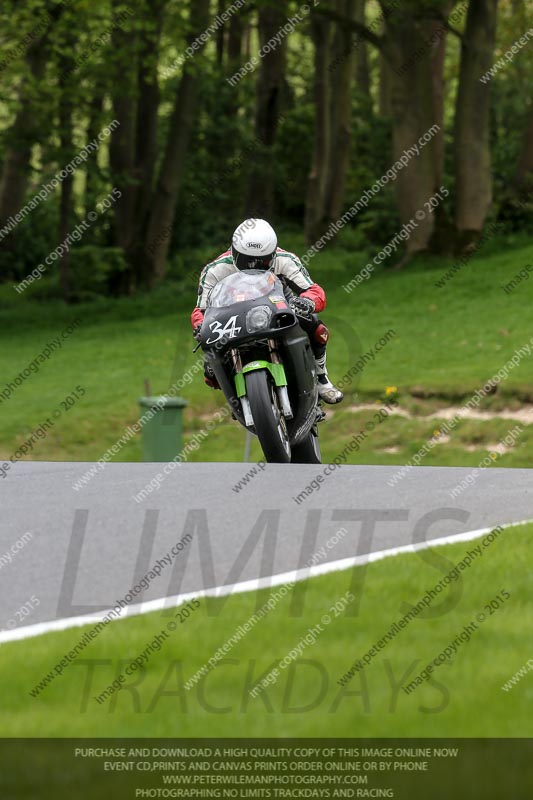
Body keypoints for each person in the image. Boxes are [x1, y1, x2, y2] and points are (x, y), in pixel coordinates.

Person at [190, 218, 344, 404]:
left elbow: (315, 291)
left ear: (272, 254)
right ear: (234, 252)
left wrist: (306, 302)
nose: (253, 266)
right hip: (233, 316)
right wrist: (201, 326)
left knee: (315, 326)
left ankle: (321, 378)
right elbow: (200, 310)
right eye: (247, 260)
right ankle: (235, 396)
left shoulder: (285, 260)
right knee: (210, 370)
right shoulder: (215, 270)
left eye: (261, 261)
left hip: (277, 306)